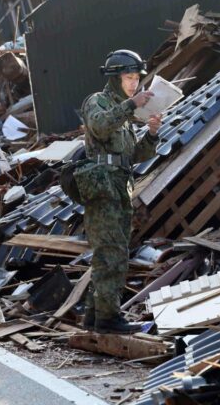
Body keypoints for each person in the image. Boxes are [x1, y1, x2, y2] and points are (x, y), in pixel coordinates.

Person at [76, 50, 162, 334]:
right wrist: (130, 105)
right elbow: (99, 128)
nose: (134, 84)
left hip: (119, 184)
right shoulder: (98, 102)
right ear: (115, 78)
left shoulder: (124, 112)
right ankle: (109, 318)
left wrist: (151, 134)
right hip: (102, 186)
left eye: (137, 78)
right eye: (128, 78)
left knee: (111, 252)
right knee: (111, 252)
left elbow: (133, 154)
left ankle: (94, 316)